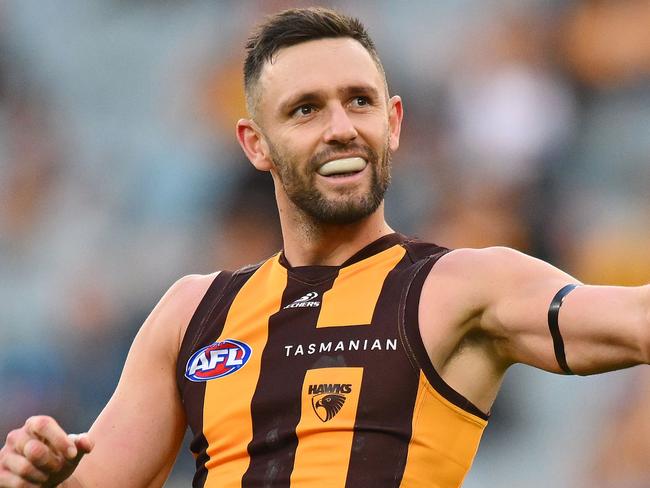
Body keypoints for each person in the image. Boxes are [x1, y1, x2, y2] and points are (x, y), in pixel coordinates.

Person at [1, 7, 648, 488]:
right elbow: (92, 481)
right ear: (255, 142)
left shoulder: (463, 285)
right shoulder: (192, 311)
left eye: (358, 102)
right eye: (306, 110)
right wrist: (39, 474)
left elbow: (632, 321)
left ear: (392, 123)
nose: (341, 128)